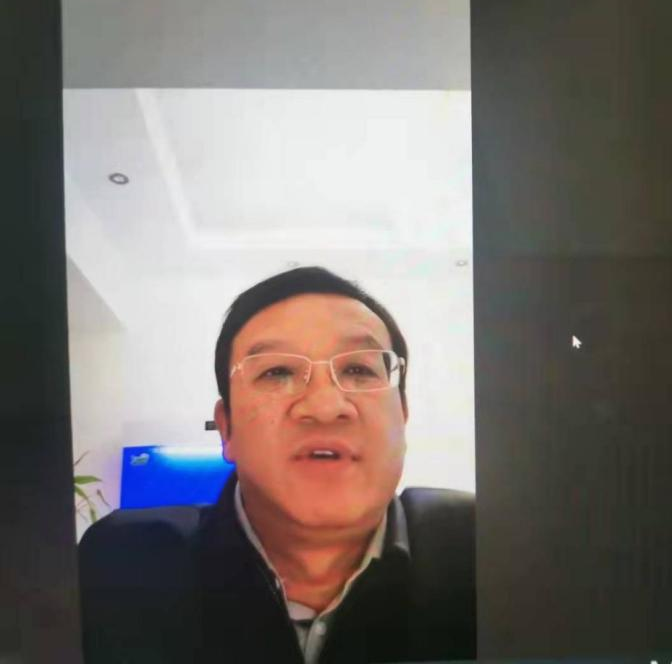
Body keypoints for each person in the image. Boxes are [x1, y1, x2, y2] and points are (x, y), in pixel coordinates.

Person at [79, 267, 476, 664]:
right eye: (277, 372)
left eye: (358, 369)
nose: (325, 407)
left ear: (402, 413)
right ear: (226, 429)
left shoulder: (483, 555)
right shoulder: (120, 570)